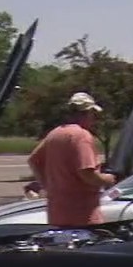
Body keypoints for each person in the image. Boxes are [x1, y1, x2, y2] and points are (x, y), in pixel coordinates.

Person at [27, 92, 116, 228]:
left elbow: (33, 160)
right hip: (82, 214)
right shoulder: (81, 136)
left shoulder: (55, 133)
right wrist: (108, 179)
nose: (94, 119)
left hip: (57, 212)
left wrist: (47, 186)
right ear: (87, 113)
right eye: (93, 115)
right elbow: (86, 173)